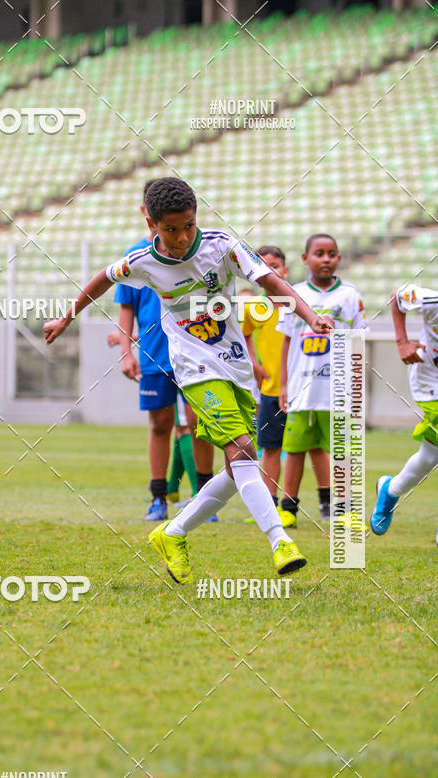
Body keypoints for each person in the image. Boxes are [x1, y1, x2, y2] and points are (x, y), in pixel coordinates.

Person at [45, 177, 334, 582]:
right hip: (194, 368)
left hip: (234, 365)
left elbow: (270, 281)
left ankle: (173, 532)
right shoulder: (142, 261)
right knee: (242, 452)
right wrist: (66, 316)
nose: (182, 238)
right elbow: (102, 279)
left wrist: (309, 316)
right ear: (152, 225)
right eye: (171, 230)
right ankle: (279, 541)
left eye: (189, 226)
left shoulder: (222, 245)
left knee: (239, 465)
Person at [109, 179, 213, 520]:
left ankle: (203, 498)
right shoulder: (135, 257)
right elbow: (127, 307)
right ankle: (158, 499)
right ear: (148, 216)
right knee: (159, 425)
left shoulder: (195, 250)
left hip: (197, 352)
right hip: (155, 354)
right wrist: (126, 352)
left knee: (202, 423)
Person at [278, 233, 366, 527]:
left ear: (339, 258)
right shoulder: (294, 293)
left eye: (331, 254)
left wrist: (356, 386)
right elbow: (287, 342)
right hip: (302, 386)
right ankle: (288, 508)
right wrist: (284, 385)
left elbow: (357, 343)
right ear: (306, 259)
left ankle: (345, 509)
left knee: (341, 449)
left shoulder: (350, 296)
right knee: (295, 448)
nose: (326, 259)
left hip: (338, 387)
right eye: (319, 253)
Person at [371, 283, 438, 538]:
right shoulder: (432, 301)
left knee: (431, 457)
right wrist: (402, 342)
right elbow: (397, 298)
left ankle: (390, 489)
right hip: (431, 382)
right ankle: (391, 490)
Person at [242, 247, 288, 507]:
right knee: (270, 447)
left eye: (276, 265)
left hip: (301, 387)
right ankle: (269, 502)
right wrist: (255, 363)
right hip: (270, 388)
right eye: (264, 265)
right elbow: (245, 335)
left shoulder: (298, 302)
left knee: (308, 448)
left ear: (286, 270)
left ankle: (320, 503)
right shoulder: (253, 307)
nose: (271, 270)